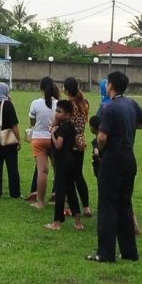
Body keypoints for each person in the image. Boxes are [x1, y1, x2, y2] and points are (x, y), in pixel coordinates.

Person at [87, 70, 142, 264]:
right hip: (129, 158)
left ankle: (105, 252)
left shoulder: (109, 108)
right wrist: (129, 126)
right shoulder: (131, 103)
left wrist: (101, 150)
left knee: (107, 205)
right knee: (124, 204)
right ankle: (129, 251)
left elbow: (101, 137)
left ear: (110, 86)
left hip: (113, 158)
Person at [43, 99, 83, 231]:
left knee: (60, 191)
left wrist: (52, 133)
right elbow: (76, 142)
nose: (56, 114)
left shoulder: (62, 128)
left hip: (62, 161)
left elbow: (58, 145)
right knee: (71, 190)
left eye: (59, 112)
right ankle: (78, 222)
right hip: (71, 159)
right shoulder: (71, 126)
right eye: (56, 111)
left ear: (67, 114)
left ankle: (56, 223)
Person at [62, 76, 93, 217]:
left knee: (68, 177)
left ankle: (73, 208)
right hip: (80, 141)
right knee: (79, 175)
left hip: (69, 142)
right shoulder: (84, 103)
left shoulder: (68, 105)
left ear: (66, 90)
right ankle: (86, 207)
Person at [0, 79, 21, 199]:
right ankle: (15, 193)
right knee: (12, 168)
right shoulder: (7, 105)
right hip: (7, 141)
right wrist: (18, 139)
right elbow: (14, 124)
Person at [27, 77, 58, 209]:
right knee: (57, 169)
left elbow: (32, 122)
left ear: (41, 88)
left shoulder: (35, 103)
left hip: (39, 139)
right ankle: (57, 196)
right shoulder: (59, 104)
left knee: (42, 171)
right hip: (54, 139)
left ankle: (40, 202)